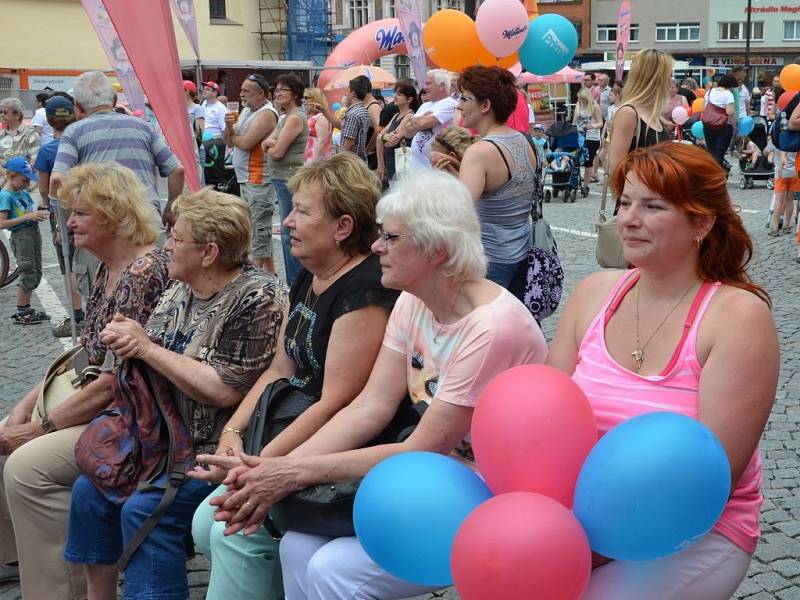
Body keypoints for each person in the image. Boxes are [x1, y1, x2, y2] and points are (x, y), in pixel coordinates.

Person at [196, 169, 548, 600]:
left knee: (333, 571)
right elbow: (370, 406)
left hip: (487, 487)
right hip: (428, 476)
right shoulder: (414, 301)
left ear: (436, 250)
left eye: (392, 238)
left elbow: (423, 446)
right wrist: (270, 471)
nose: (377, 246)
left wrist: (289, 472)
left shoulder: (491, 328)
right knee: (296, 546)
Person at [547, 142, 778, 599]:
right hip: (575, 519)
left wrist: (584, 547)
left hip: (693, 531)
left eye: (652, 206)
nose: (628, 219)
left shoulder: (736, 317)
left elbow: (714, 481)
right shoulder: (593, 294)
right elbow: (547, 424)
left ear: (702, 222)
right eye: (625, 202)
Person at [189, 153, 399, 600]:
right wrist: (233, 433)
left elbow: (335, 402)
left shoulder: (363, 293)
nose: (287, 221)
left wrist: (260, 467)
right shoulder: (313, 273)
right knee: (206, 523)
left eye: (302, 211)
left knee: (230, 530)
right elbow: (281, 366)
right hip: (283, 432)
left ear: (343, 227)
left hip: (330, 447)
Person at [64, 188, 288, 600]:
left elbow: (224, 390)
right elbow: (151, 345)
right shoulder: (180, 287)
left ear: (209, 252)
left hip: (211, 448)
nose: (167, 246)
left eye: (175, 238)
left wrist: (146, 347)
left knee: (146, 508)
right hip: (159, 437)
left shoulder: (257, 296)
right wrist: (128, 338)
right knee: (89, 491)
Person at [0, 162, 172, 599]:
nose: (69, 222)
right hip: (94, 397)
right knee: (5, 434)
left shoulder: (143, 272)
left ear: (114, 217)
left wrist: (41, 428)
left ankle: (61, 590)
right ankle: (19, 556)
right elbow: (87, 353)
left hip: (132, 414)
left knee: (26, 466)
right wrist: (25, 404)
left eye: (80, 213)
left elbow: (119, 380)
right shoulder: (107, 268)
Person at [49, 71, 184, 336]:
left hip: (98, 227)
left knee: (102, 301)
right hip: (145, 224)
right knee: (158, 297)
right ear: (113, 99)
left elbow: (57, 180)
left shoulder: (75, 131)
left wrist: (66, 221)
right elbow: (176, 170)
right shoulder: (143, 126)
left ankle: (105, 362)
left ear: (77, 106)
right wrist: (170, 208)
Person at [457, 65, 539, 293]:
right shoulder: (525, 140)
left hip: (490, 258)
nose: (459, 105)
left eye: (464, 98)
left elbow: (459, 212)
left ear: (485, 105)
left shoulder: (480, 152)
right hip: (521, 252)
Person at [225, 73, 280, 274]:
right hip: (247, 178)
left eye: (246, 91)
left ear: (261, 94)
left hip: (258, 178)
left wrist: (235, 135)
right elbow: (230, 142)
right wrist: (229, 127)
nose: (241, 94)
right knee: (258, 226)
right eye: (242, 90)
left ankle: (255, 272)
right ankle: (270, 271)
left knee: (259, 227)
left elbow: (246, 143)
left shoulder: (266, 113)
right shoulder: (247, 111)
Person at [34, 95, 79, 312]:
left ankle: (77, 314)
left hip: (61, 210)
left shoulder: (47, 151)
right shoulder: (81, 143)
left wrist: (47, 204)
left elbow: (44, 188)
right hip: (86, 207)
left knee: (68, 263)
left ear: (49, 120)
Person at [265, 73, 309, 287]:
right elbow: (269, 142)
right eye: (277, 89)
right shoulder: (286, 117)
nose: (277, 93)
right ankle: (296, 281)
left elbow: (276, 152)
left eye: (283, 90)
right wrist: (270, 143)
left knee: (288, 232)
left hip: (288, 177)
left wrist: (269, 144)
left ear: (295, 94)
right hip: (282, 178)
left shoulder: (294, 118)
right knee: (288, 230)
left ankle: (295, 283)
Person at [607, 49, 672, 178]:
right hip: (639, 196)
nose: (670, 80)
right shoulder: (628, 113)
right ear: (654, 78)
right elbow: (616, 169)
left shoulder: (651, 112)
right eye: (668, 75)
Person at [0, 157, 49, 324]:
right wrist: (27, 217)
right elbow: (2, 223)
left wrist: (38, 212)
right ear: (11, 175)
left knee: (36, 271)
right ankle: (21, 311)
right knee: (27, 271)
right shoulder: (6, 196)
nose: (28, 184)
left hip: (32, 233)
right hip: (21, 236)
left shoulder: (22, 192)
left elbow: (27, 210)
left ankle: (27, 308)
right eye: (24, 180)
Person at [402, 69, 458, 170]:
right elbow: (406, 132)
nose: (425, 87)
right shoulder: (425, 105)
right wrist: (421, 119)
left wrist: (415, 120)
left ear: (441, 86)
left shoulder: (449, 103)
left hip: (434, 170)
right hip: (416, 168)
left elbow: (423, 123)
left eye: (428, 84)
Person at [376, 81, 419, 186]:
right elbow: (379, 138)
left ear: (409, 99)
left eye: (399, 95)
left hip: (401, 167)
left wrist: (382, 139)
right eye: (395, 93)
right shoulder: (396, 115)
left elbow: (392, 141)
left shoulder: (410, 116)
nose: (395, 97)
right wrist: (384, 137)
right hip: (392, 165)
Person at [0, 97, 39, 188]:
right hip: (3, 187)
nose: (2, 115)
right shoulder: (1, 135)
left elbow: (34, 162)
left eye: (5, 112)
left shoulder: (31, 134)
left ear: (17, 115)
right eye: (0, 112)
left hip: (23, 188)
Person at [703, 74, 737, 169]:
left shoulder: (709, 92)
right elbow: (730, 113)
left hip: (708, 126)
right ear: (730, 86)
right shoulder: (728, 94)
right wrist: (735, 127)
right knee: (718, 156)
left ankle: (712, 176)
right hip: (723, 128)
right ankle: (717, 176)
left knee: (712, 154)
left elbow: (704, 107)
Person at [573, 87, 603, 186]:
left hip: (592, 137)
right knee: (576, 159)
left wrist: (591, 126)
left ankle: (586, 185)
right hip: (579, 136)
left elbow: (600, 123)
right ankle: (576, 182)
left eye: (583, 99)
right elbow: (574, 121)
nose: (581, 101)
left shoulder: (594, 106)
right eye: (580, 99)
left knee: (588, 161)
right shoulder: (578, 105)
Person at [768, 145, 798, 236]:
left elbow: (765, 151)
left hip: (780, 173)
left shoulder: (777, 138)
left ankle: (775, 228)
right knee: (790, 200)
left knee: (778, 201)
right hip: (794, 172)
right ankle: (787, 226)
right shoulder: (796, 137)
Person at [303, 87, 333, 162]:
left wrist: (312, 163)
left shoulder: (321, 117)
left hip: (317, 162)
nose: (304, 100)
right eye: (303, 98)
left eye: (306, 98)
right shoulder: (310, 117)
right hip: (308, 160)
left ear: (315, 99)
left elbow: (321, 141)